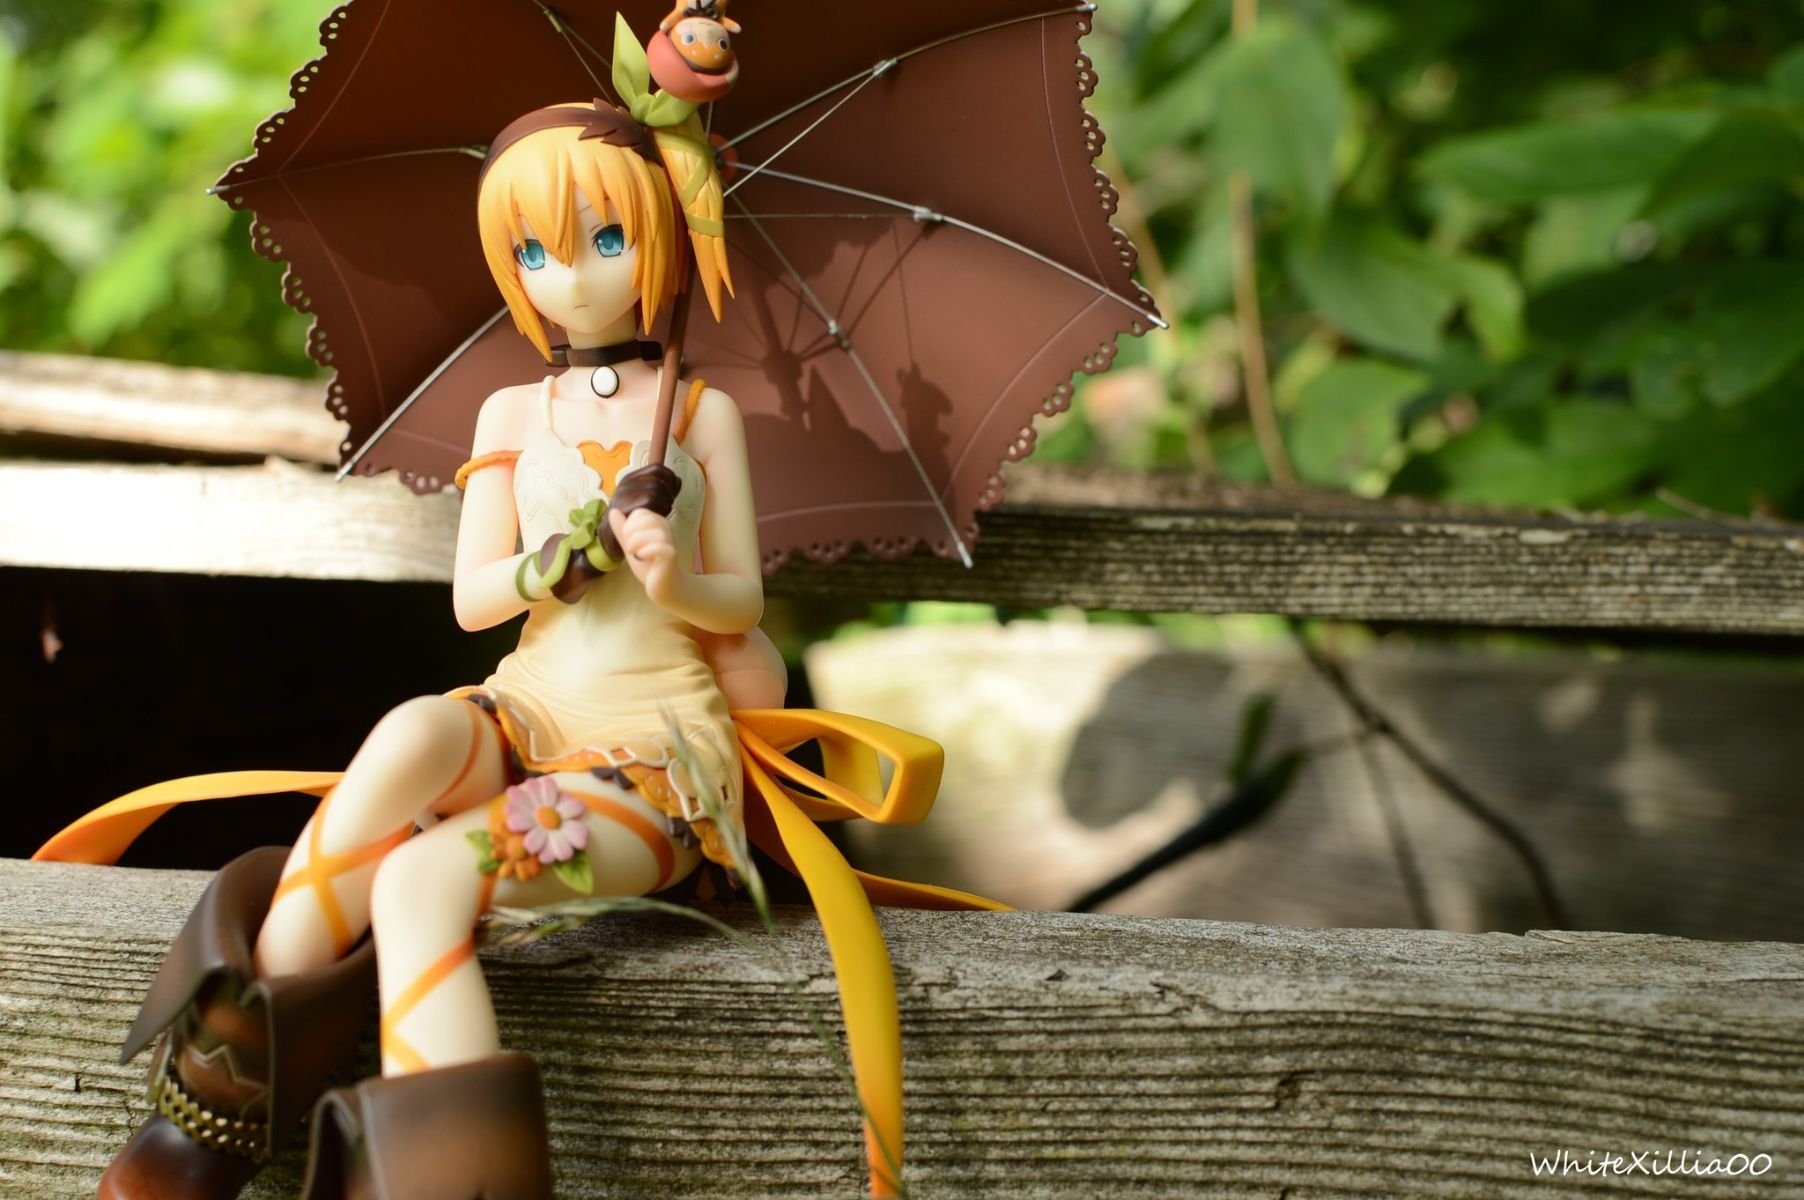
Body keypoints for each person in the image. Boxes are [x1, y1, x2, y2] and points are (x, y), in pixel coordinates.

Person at [49, 95, 1001, 1200]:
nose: (572, 276)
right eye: (534, 251)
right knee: (407, 735)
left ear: (665, 237)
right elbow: (471, 601)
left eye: (607, 238)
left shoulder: (702, 416)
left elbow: (741, 602)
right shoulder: (511, 413)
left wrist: (670, 576)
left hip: (652, 764)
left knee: (420, 883)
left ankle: (396, 1175)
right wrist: (547, 568)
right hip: (527, 707)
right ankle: (218, 1103)